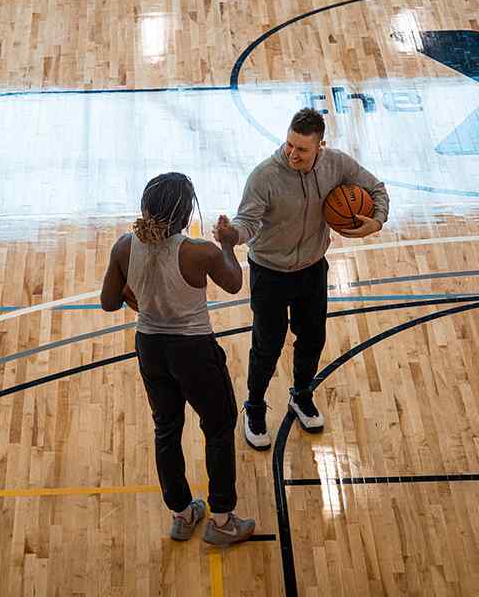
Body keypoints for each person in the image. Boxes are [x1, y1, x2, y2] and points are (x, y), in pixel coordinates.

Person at [214, 108, 389, 450]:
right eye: (289, 145)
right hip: (270, 272)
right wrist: (230, 234)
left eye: (302, 149)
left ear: (320, 146)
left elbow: (377, 188)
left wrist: (377, 220)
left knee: (312, 339)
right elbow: (247, 223)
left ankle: (302, 394)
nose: (292, 153)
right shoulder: (264, 176)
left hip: (312, 269)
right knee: (267, 346)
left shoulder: (337, 164)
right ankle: (254, 407)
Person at [100, 172, 256, 544]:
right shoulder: (199, 251)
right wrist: (228, 247)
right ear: (186, 212)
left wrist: (127, 287)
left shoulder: (124, 246)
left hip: (151, 348)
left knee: (166, 429)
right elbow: (234, 283)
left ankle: (183, 514)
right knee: (218, 427)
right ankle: (221, 520)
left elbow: (108, 302)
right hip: (193, 350)